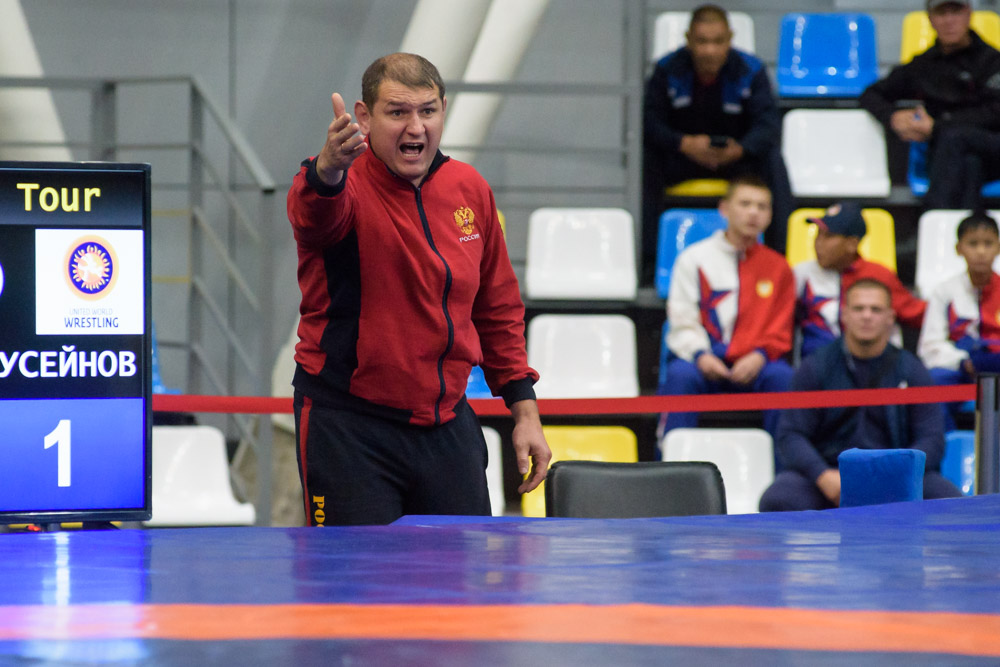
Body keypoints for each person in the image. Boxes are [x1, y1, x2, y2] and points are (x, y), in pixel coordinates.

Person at [286, 53, 551, 526]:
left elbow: (497, 308)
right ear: (364, 117)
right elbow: (314, 214)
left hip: (446, 425)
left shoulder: (470, 189)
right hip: (347, 427)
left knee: (461, 574)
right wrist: (326, 170)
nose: (416, 127)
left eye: (428, 111)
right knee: (346, 577)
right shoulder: (339, 185)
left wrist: (524, 411)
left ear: (443, 110)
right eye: (397, 112)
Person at [760, 279, 963, 512]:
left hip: (897, 475)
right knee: (779, 499)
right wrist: (822, 475)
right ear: (844, 314)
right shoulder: (815, 366)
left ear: (890, 317)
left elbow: (932, 438)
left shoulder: (912, 370)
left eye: (875, 309)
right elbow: (791, 434)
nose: (867, 316)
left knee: (949, 502)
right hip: (829, 476)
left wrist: (897, 476)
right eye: (858, 308)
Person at [643, 3, 793, 273]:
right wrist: (683, 143)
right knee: (646, 162)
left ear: (730, 40)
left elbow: (768, 124)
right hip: (683, 158)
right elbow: (650, 122)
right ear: (689, 40)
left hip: (736, 160)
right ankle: (649, 261)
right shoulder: (667, 70)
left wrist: (740, 149)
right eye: (702, 42)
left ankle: (778, 257)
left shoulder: (751, 70)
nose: (709, 50)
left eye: (717, 41)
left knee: (772, 161)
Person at [659, 174, 795, 443]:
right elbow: (681, 318)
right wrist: (701, 355)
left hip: (756, 363)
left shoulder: (779, 267)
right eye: (745, 204)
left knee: (783, 377)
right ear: (724, 209)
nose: (753, 212)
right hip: (702, 360)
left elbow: (781, 327)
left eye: (762, 206)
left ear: (770, 216)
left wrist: (759, 356)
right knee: (680, 376)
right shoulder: (693, 259)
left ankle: (784, 465)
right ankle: (668, 459)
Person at [858, 0, 1000, 210]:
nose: (949, 21)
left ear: (968, 14)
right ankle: (963, 226)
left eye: (955, 12)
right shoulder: (924, 66)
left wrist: (938, 126)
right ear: (930, 19)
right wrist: (892, 117)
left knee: (955, 138)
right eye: (941, 13)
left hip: (992, 148)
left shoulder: (992, 61)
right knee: (969, 163)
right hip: (952, 157)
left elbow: (995, 113)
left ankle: (932, 217)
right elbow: (871, 94)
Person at [795, 202, 926, 359]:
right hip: (818, 364)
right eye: (818, 234)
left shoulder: (878, 275)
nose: (818, 243)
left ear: (852, 244)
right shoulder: (801, 273)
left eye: (828, 236)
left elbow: (917, 314)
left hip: (873, 362)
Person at [918, 210, 1000, 429]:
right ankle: (943, 447)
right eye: (973, 243)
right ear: (959, 248)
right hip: (960, 370)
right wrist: (964, 363)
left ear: (999, 247)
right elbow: (930, 346)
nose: (981, 251)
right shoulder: (944, 291)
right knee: (931, 385)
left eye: (988, 243)